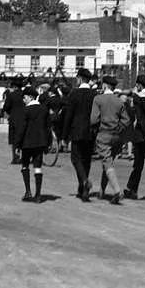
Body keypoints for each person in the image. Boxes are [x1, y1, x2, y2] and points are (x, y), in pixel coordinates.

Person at [90, 75, 130, 205]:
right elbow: (126, 120)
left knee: (107, 162)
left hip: (103, 134)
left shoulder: (98, 99)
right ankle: (102, 190)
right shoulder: (119, 101)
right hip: (116, 137)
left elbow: (93, 120)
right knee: (108, 162)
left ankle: (117, 191)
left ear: (104, 85)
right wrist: (118, 127)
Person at [61, 68, 98, 202]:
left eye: (77, 78)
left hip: (76, 130)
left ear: (80, 79)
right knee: (86, 159)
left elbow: (68, 116)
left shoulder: (74, 94)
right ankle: (83, 190)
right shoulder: (94, 94)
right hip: (91, 131)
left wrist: (64, 136)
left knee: (75, 158)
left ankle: (84, 181)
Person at [17, 86, 52, 203]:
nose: (23, 100)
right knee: (38, 167)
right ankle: (38, 194)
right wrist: (48, 143)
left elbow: (22, 129)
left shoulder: (25, 111)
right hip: (40, 143)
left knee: (25, 166)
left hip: (27, 143)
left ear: (31, 97)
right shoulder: (44, 109)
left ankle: (28, 191)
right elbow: (48, 128)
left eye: (25, 97)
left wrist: (18, 144)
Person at [4, 77, 26, 165]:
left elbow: (6, 107)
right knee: (24, 138)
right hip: (25, 118)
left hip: (14, 119)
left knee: (14, 139)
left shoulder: (11, 95)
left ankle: (16, 158)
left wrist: (11, 113)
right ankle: (24, 157)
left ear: (14, 86)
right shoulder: (25, 95)